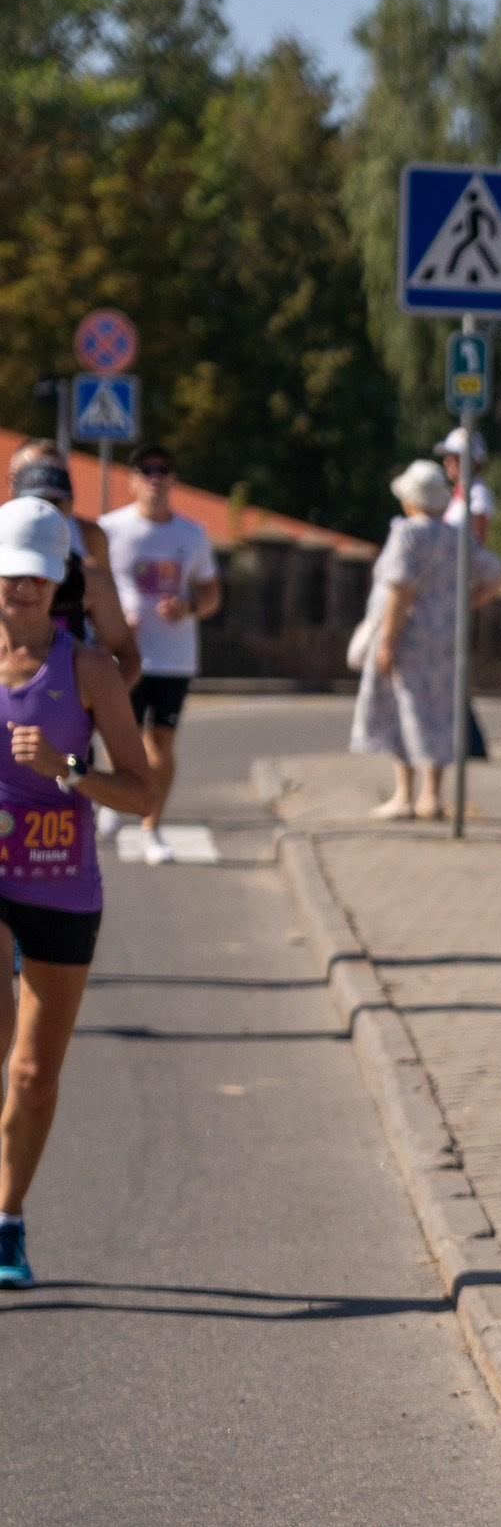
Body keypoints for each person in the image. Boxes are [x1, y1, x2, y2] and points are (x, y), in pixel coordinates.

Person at [0, 498, 151, 1287]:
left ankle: (8, 1219)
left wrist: (65, 770)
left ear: (58, 580)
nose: (22, 588)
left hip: (60, 885)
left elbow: (141, 792)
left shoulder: (87, 669)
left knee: (33, 1075)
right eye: (10, 573)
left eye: (36, 574)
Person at [350, 461, 501, 821]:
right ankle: (431, 796)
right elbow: (497, 574)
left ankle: (404, 795)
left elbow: (399, 589)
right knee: (438, 714)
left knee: (401, 709)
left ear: (410, 500)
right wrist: (464, 603)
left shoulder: (408, 534)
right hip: (446, 640)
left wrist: (387, 642)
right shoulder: (457, 537)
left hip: (409, 638)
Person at [101, 445, 221, 862]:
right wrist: (113, 618)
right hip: (125, 653)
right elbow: (90, 587)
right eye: (145, 469)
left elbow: (211, 593)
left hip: (174, 657)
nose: (155, 476)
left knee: (162, 745)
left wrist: (189, 606)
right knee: (122, 737)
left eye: (163, 469)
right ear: (131, 480)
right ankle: (114, 798)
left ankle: (151, 827)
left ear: (173, 479)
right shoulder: (109, 529)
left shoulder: (192, 533)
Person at [7, 443, 141, 693]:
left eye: (55, 502)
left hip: (65, 695)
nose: (44, 511)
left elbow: (127, 654)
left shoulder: (89, 571)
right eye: (35, 500)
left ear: (69, 503)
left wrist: (94, 706)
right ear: (13, 489)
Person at [434, 429, 495, 534]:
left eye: (455, 457)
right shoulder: (459, 493)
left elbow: (477, 538)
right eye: (447, 456)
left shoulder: (478, 494)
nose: (446, 462)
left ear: (474, 461)